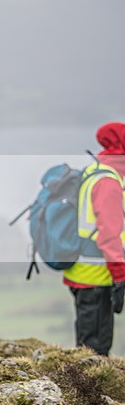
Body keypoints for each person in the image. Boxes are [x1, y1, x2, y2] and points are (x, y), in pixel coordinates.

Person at [63, 122, 125, 356]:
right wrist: (120, 275)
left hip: (84, 271)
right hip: (97, 275)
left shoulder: (97, 170)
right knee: (95, 349)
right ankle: (88, 391)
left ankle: (83, 387)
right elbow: (109, 236)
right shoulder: (108, 182)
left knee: (88, 342)